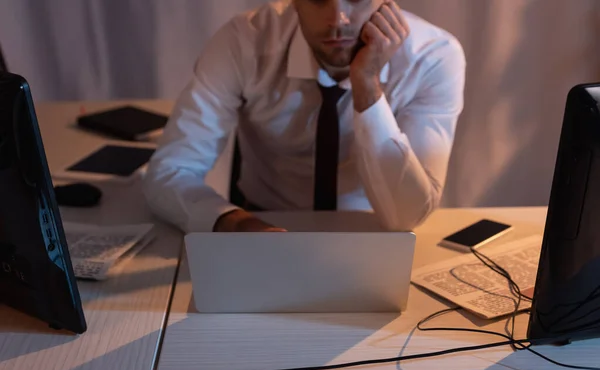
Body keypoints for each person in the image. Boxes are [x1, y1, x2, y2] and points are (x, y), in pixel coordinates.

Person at [142, 0, 466, 233]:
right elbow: (170, 171)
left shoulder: (434, 57)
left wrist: (367, 86)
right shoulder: (243, 41)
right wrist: (233, 223)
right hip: (262, 221)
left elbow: (405, 217)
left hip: (372, 229)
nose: (338, 19)